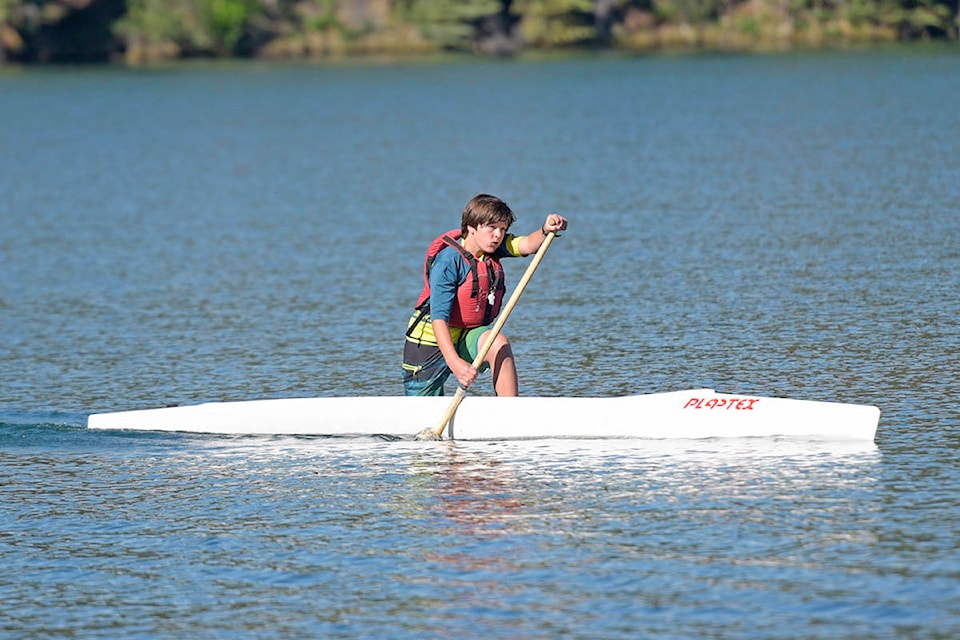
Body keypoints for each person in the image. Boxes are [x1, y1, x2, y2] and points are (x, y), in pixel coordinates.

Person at [402, 193, 568, 397]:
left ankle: (510, 414)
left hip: (466, 335)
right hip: (430, 343)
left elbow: (527, 244)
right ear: (471, 227)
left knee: (499, 344)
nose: (498, 235)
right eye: (492, 228)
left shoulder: (493, 249)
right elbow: (439, 319)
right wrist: (455, 363)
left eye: (503, 229)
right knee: (423, 411)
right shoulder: (448, 262)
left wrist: (545, 230)